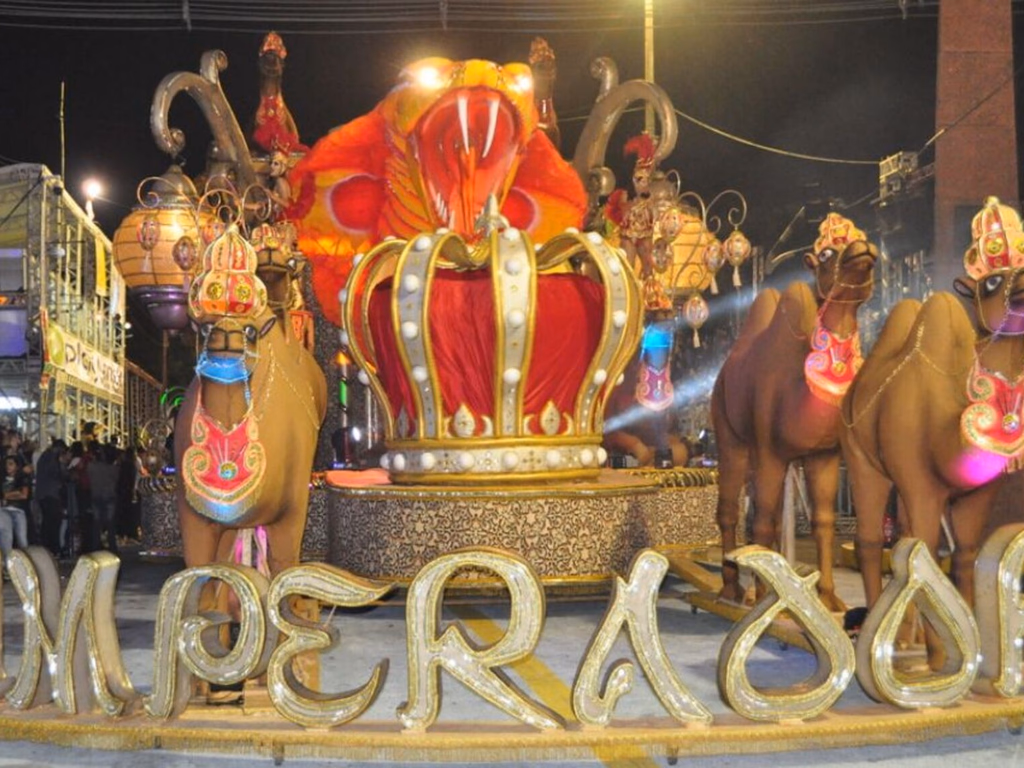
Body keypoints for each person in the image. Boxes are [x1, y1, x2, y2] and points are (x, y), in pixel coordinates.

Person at [35, 438, 68, 556]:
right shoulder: (51, 458)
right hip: (50, 494)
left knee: (48, 522)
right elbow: (56, 474)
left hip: (44, 494)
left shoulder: (45, 457)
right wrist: (63, 467)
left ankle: (48, 547)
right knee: (52, 522)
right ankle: (52, 547)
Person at [87, 444, 119, 555]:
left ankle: (96, 547)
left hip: (96, 496)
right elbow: (116, 480)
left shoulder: (92, 467)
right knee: (110, 524)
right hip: (109, 496)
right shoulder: (113, 469)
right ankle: (112, 547)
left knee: (96, 523)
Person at [0, 456, 30, 560]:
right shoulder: (2, 478)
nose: (8, 466)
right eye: (7, 464)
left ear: (17, 466)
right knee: (7, 537)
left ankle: (25, 564)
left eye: (11, 464)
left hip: (18, 510)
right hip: (4, 510)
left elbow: (24, 495)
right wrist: (15, 493)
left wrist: (6, 495)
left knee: (22, 539)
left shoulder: (21, 478)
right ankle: (7, 564)